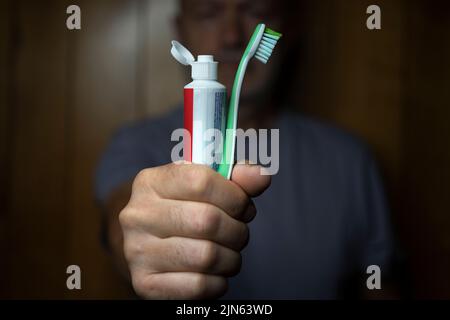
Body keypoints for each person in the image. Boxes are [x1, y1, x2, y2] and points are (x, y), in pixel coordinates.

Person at [95, 0, 395, 299]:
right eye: (208, 13)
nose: (232, 36)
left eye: (257, 12)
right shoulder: (134, 145)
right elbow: (123, 220)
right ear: (180, 30)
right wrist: (143, 243)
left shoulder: (350, 160)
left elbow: (381, 284)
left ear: (289, 29)